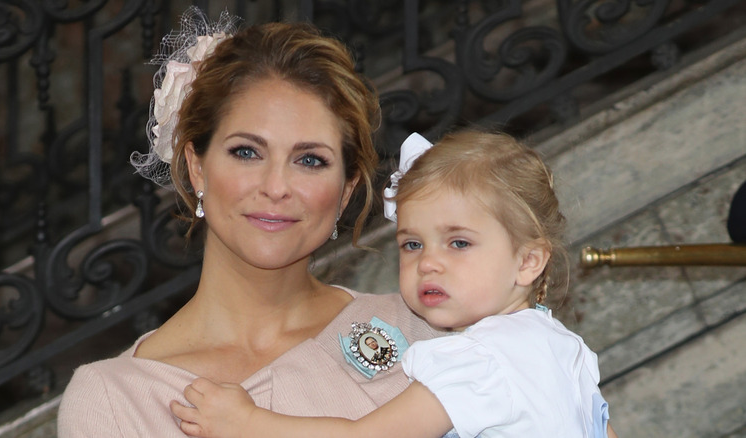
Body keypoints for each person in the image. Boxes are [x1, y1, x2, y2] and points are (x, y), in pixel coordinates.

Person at [56, 7, 443, 437]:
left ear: (346, 189)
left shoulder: (425, 330)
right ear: (197, 167)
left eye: (310, 160)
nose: (276, 186)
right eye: (246, 152)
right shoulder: (114, 400)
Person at [169, 130, 618, 437]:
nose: (429, 264)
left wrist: (250, 424)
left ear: (528, 261)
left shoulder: (478, 360)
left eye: (458, 243)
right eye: (412, 245)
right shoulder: (562, 346)